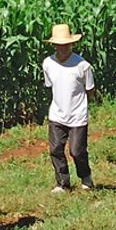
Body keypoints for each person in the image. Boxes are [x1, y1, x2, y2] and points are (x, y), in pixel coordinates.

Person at [42, 24, 95, 193]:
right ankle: (62, 183)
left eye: (66, 44)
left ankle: (85, 177)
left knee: (77, 151)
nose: (63, 48)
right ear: (54, 45)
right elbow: (50, 85)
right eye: (59, 44)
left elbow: (90, 90)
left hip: (78, 115)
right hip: (57, 114)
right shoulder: (48, 63)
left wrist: (83, 107)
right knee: (55, 149)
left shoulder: (82, 65)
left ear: (72, 44)